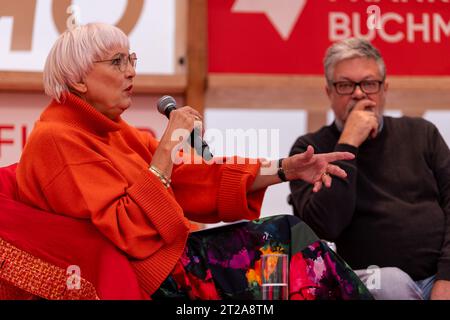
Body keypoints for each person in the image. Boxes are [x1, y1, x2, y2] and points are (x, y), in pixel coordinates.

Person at [16, 23, 370, 300]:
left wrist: (284, 169)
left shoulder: (109, 128)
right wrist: (168, 146)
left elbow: (187, 180)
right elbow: (127, 230)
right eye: (117, 62)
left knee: (293, 255)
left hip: (178, 263)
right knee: (287, 242)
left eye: (131, 59)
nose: (131, 72)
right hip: (160, 280)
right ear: (77, 80)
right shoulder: (57, 139)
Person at [288, 37, 450, 300]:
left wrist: (447, 277)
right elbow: (324, 227)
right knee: (391, 283)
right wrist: (349, 143)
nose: (359, 93)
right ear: (329, 92)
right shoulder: (310, 150)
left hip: (439, 278)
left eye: (369, 83)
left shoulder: (422, 133)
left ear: (384, 88)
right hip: (369, 282)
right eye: (345, 85)